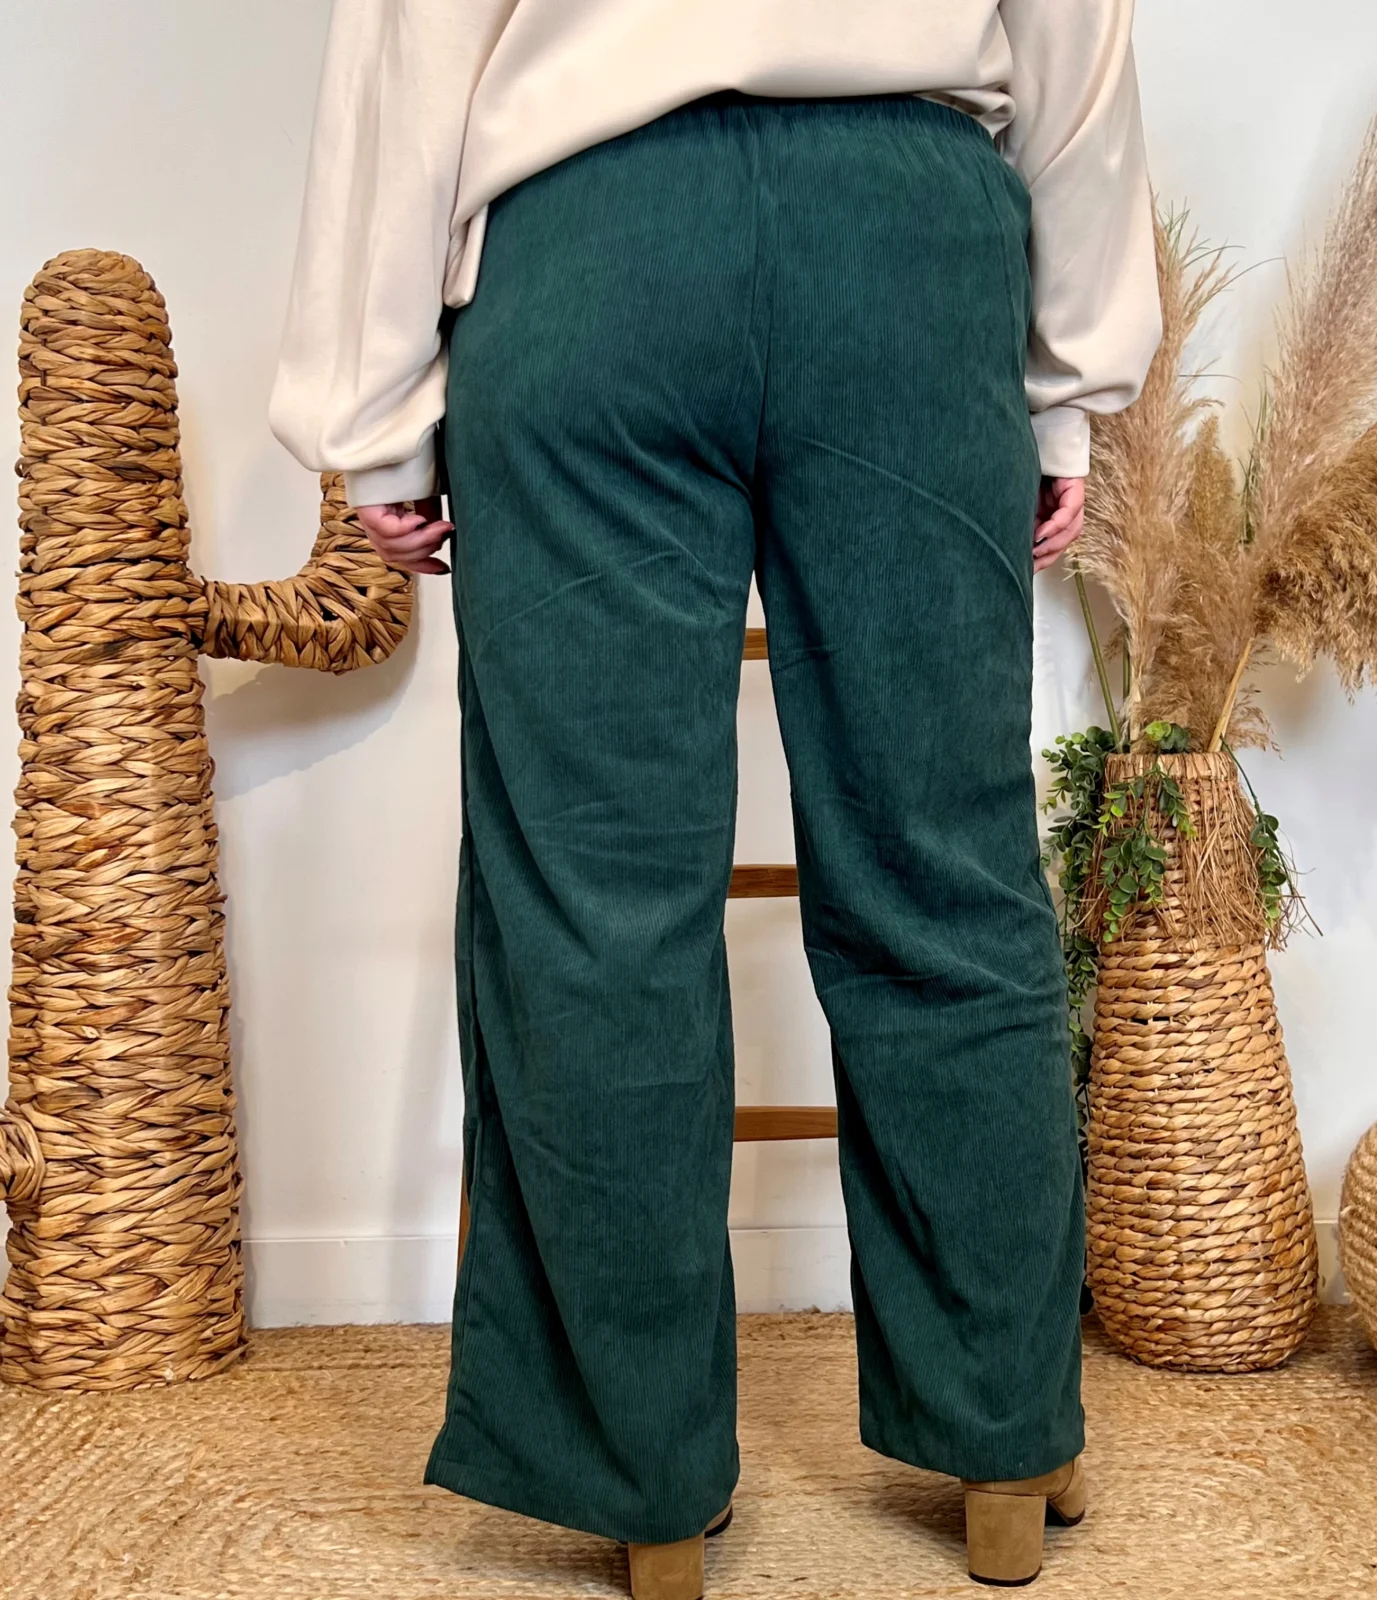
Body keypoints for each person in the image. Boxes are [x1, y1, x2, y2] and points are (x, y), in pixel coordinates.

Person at [269, 3, 1160, 1595]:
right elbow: (1074, 29)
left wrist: (377, 414)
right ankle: (1006, 1443)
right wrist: (1067, 378)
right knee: (943, 868)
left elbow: (410, 31)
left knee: (595, 894)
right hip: (906, 256)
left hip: (596, 251)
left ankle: (648, 1487)